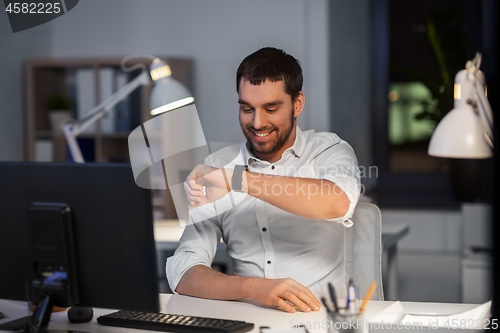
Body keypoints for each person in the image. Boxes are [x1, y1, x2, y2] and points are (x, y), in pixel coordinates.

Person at [166, 47, 360, 313]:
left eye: (271, 108)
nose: (257, 122)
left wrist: (237, 179)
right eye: (247, 108)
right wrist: (253, 288)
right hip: (248, 318)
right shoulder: (219, 166)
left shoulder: (329, 150)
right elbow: (183, 272)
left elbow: (338, 202)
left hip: (322, 320)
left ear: (297, 103)